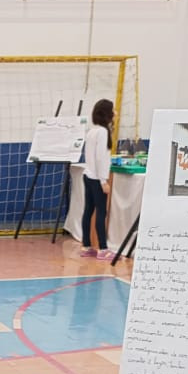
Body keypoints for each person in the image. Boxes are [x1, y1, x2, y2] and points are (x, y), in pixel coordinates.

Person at [80, 98, 115, 261]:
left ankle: (86, 246)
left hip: (88, 175)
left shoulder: (92, 131)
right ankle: (103, 248)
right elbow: (100, 157)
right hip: (96, 178)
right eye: (112, 110)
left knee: (88, 211)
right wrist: (103, 181)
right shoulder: (102, 132)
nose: (115, 113)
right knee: (101, 212)